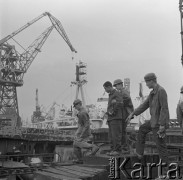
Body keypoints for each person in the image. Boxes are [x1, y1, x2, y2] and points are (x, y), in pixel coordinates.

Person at [126, 73, 169, 177]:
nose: (146, 84)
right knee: (142, 129)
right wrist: (133, 113)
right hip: (153, 121)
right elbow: (144, 105)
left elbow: (164, 108)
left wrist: (162, 125)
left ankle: (166, 173)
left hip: (159, 124)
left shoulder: (161, 91)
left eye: (146, 82)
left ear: (151, 81)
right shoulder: (152, 93)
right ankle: (139, 153)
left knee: (161, 148)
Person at [73, 99, 99, 164]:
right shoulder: (81, 111)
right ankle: (80, 159)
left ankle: (93, 147)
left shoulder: (82, 112)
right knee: (75, 145)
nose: (75, 108)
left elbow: (86, 124)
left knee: (77, 143)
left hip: (83, 131)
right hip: (82, 130)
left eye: (75, 106)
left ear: (79, 104)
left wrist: (82, 134)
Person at [113, 79, 134, 153]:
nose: (116, 87)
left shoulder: (124, 92)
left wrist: (118, 101)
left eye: (116, 86)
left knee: (122, 131)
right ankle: (125, 147)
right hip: (125, 113)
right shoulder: (123, 91)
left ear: (120, 85)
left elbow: (127, 99)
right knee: (122, 131)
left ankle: (125, 148)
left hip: (125, 113)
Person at [103, 81, 123, 156]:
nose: (105, 90)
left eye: (105, 88)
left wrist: (112, 112)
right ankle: (113, 149)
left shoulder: (116, 93)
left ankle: (117, 150)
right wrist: (108, 113)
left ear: (109, 87)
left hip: (116, 118)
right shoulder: (111, 95)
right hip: (111, 118)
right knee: (111, 136)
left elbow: (120, 103)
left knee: (116, 135)